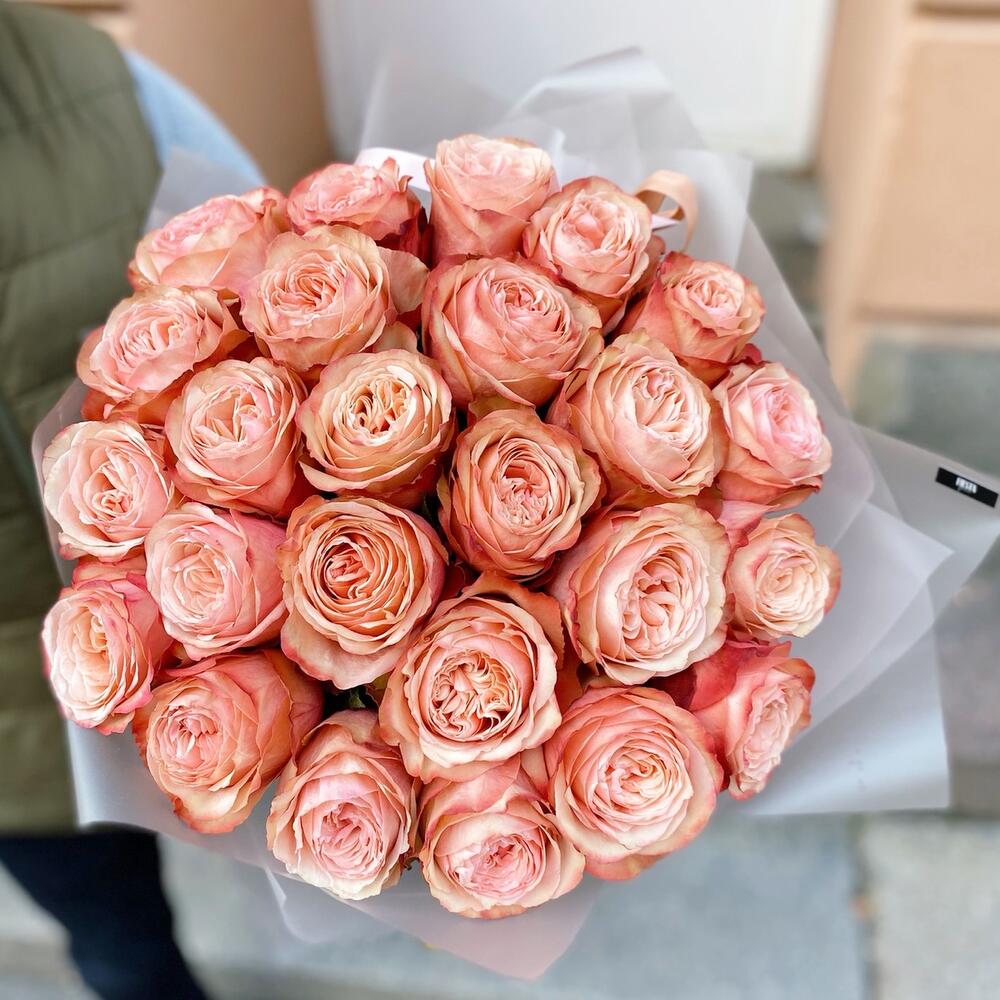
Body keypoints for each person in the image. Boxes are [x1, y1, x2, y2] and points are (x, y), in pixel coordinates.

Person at [0, 4, 262, 997]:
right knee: (121, 940)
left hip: (202, 635)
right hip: (17, 740)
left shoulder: (91, 81)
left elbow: (276, 261)